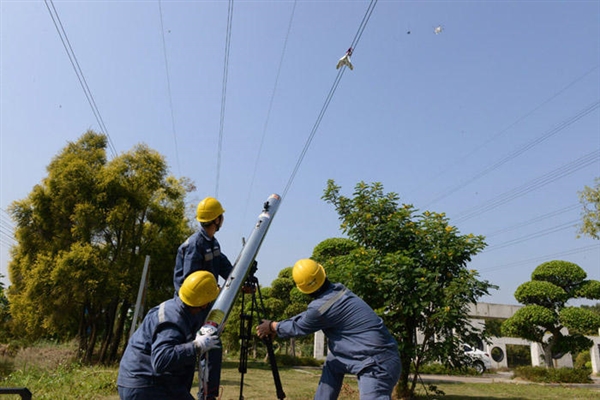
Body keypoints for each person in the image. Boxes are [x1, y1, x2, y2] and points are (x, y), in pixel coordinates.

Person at [256, 259, 401, 400]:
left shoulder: (320, 308)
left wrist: (271, 326)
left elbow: (301, 325)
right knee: (333, 361)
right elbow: (311, 315)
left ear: (304, 289)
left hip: (377, 365)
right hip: (380, 355)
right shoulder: (339, 291)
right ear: (322, 274)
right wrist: (277, 326)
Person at [117, 271, 221, 400]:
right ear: (204, 304)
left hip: (153, 382)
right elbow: (161, 360)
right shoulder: (173, 320)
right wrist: (196, 346)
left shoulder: (178, 309)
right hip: (145, 385)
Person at [173, 196, 233, 400]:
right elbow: (191, 282)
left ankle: (208, 396)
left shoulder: (212, 243)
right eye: (221, 216)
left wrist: (243, 276)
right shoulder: (194, 245)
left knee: (212, 347)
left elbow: (225, 266)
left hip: (203, 306)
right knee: (194, 351)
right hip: (190, 309)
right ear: (216, 219)